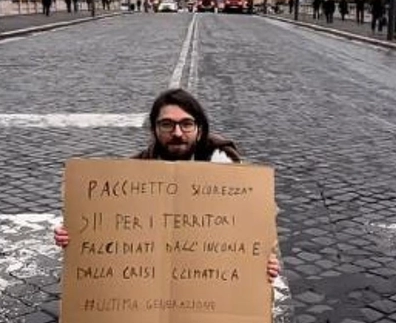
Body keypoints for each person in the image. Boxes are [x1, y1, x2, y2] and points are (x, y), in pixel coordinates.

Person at [53, 88, 280, 281]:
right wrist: (74, 235)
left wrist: (264, 258)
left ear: (200, 130)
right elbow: (101, 225)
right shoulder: (131, 174)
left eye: (186, 124)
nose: (177, 133)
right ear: (154, 130)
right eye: (167, 124)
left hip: (212, 275)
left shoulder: (227, 167)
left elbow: (255, 222)